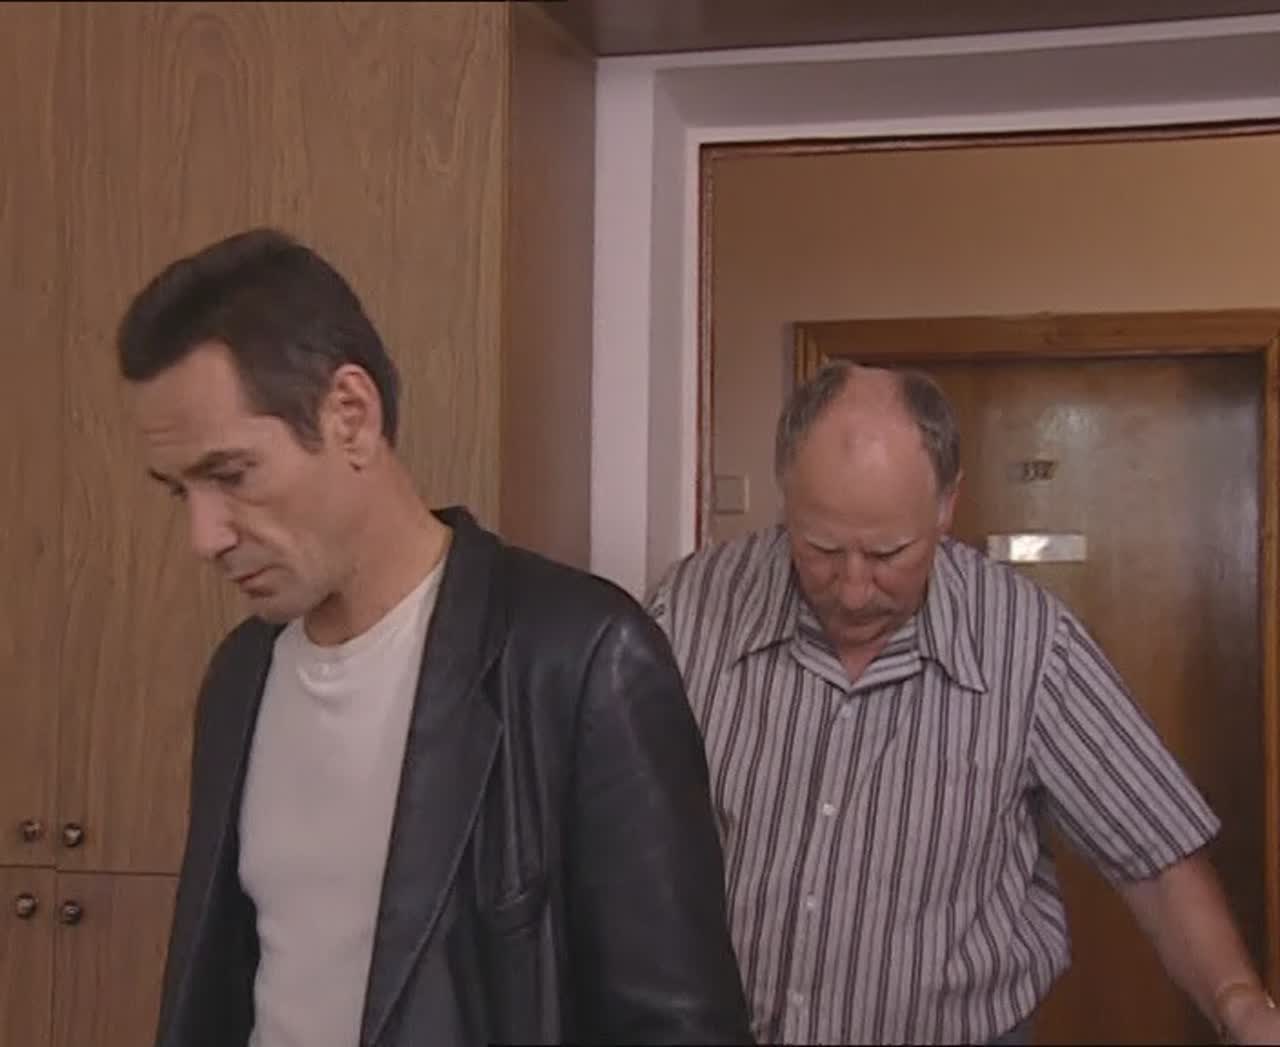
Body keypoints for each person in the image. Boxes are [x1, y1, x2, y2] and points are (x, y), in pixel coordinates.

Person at [120, 228, 752, 1047]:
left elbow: (678, 1025)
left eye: (232, 474)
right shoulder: (242, 675)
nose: (204, 536)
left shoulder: (582, 657)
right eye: (181, 492)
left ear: (350, 415)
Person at [648, 359, 1280, 1046]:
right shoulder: (691, 606)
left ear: (947, 506)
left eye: (887, 553)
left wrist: (1239, 1002)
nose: (853, 589)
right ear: (786, 496)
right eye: (821, 548)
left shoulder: (1031, 644)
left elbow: (1153, 853)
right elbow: (612, 822)